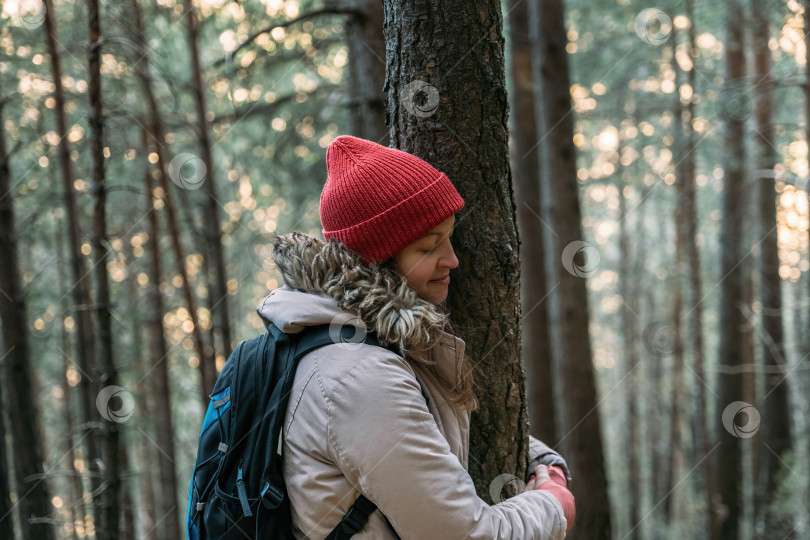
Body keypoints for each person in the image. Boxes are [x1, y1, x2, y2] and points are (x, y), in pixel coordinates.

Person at [257, 135, 576, 539]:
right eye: (429, 247)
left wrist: (539, 459)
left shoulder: (366, 340)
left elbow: (427, 432)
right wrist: (555, 507)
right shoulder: (358, 374)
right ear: (379, 260)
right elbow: (463, 535)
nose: (453, 260)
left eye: (449, 237)